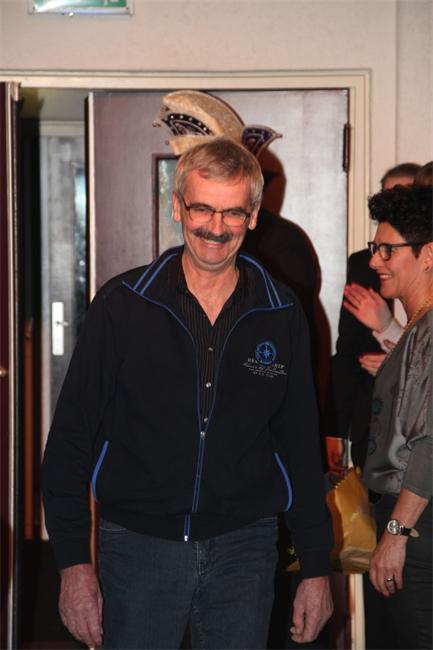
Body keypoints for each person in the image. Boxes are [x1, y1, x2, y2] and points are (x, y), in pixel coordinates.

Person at [41, 137, 333, 649]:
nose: (215, 227)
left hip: (245, 548)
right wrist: (73, 564)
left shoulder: (282, 313)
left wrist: (315, 566)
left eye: (232, 212)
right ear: (177, 206)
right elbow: (70, 439)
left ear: (253, 215)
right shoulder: (123, 305)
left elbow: (301, 446)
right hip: (137, 548)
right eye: (202, 208)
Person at [362, 184, 432, 649]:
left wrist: (396, 532)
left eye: (388, 249)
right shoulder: (418, 324)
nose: (375, 261)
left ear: (428, 254)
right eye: (375, 247)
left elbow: (430, 441)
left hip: (418, 524)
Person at [331, 162, 419, 468]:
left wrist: (388, 334)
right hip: (370, 428)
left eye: (403, 199)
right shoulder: (364, 265)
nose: (376, 262)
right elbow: (346, 352)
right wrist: (335, 430)